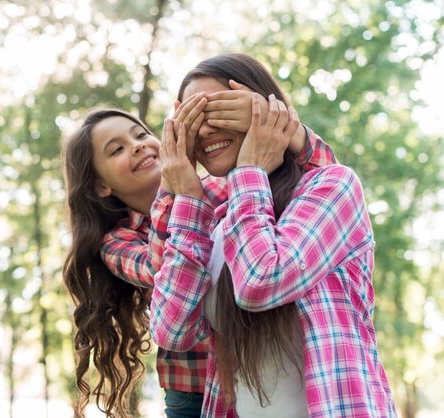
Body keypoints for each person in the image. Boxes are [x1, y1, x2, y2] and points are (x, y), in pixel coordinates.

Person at [61, 74, 335, 417]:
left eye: (142, 134)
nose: (137, 146)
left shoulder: (217, 190)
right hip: (191, 389)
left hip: (254, 372)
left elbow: (319, 172)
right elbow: (162, 267)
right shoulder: (115, 242)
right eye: (116, 149)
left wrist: (274, 121)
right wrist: (175, 189)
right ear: (100, 185)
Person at [150, 53, 397, 417]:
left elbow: (261, 280)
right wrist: (186, 196)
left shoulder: (332, 186)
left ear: (267, 111)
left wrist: (253, 166)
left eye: (219, 111)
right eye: (194, 117)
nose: (204, 130)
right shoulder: (220, 222)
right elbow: (171, 331)